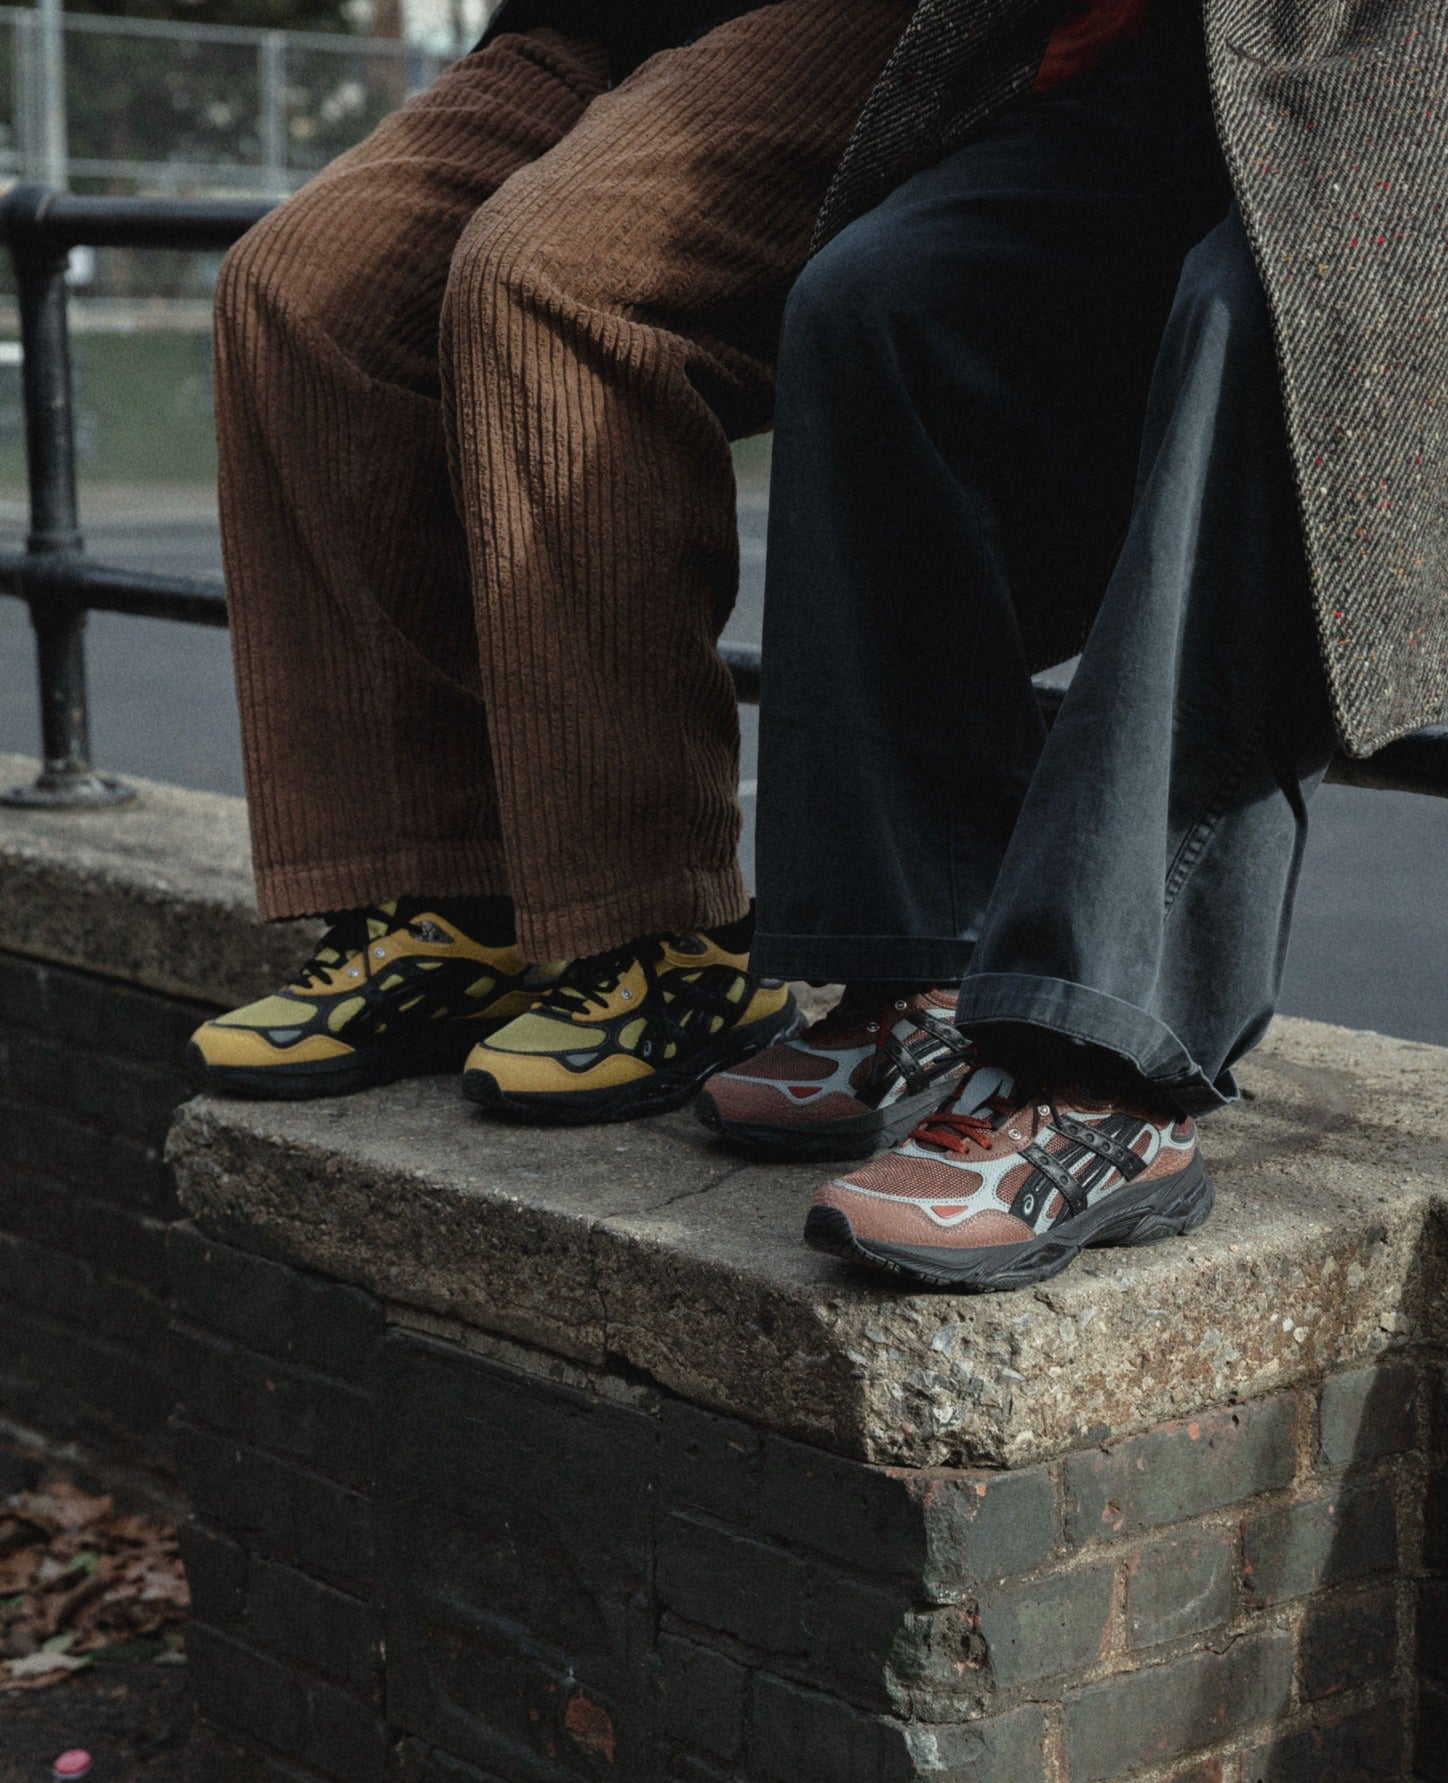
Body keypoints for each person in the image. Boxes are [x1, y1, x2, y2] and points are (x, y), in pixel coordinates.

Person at [698, 0, 1448, 1290]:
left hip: (1401, 72)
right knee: (879, 296)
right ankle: (919, 962)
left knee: (1255, 313)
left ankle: (1101, 1065)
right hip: (1201, 50)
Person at [184, 0, 911, 1118]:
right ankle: (452, 911)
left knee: (549, 277)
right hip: (582, 17)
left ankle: (673, 942)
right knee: (297, 294)